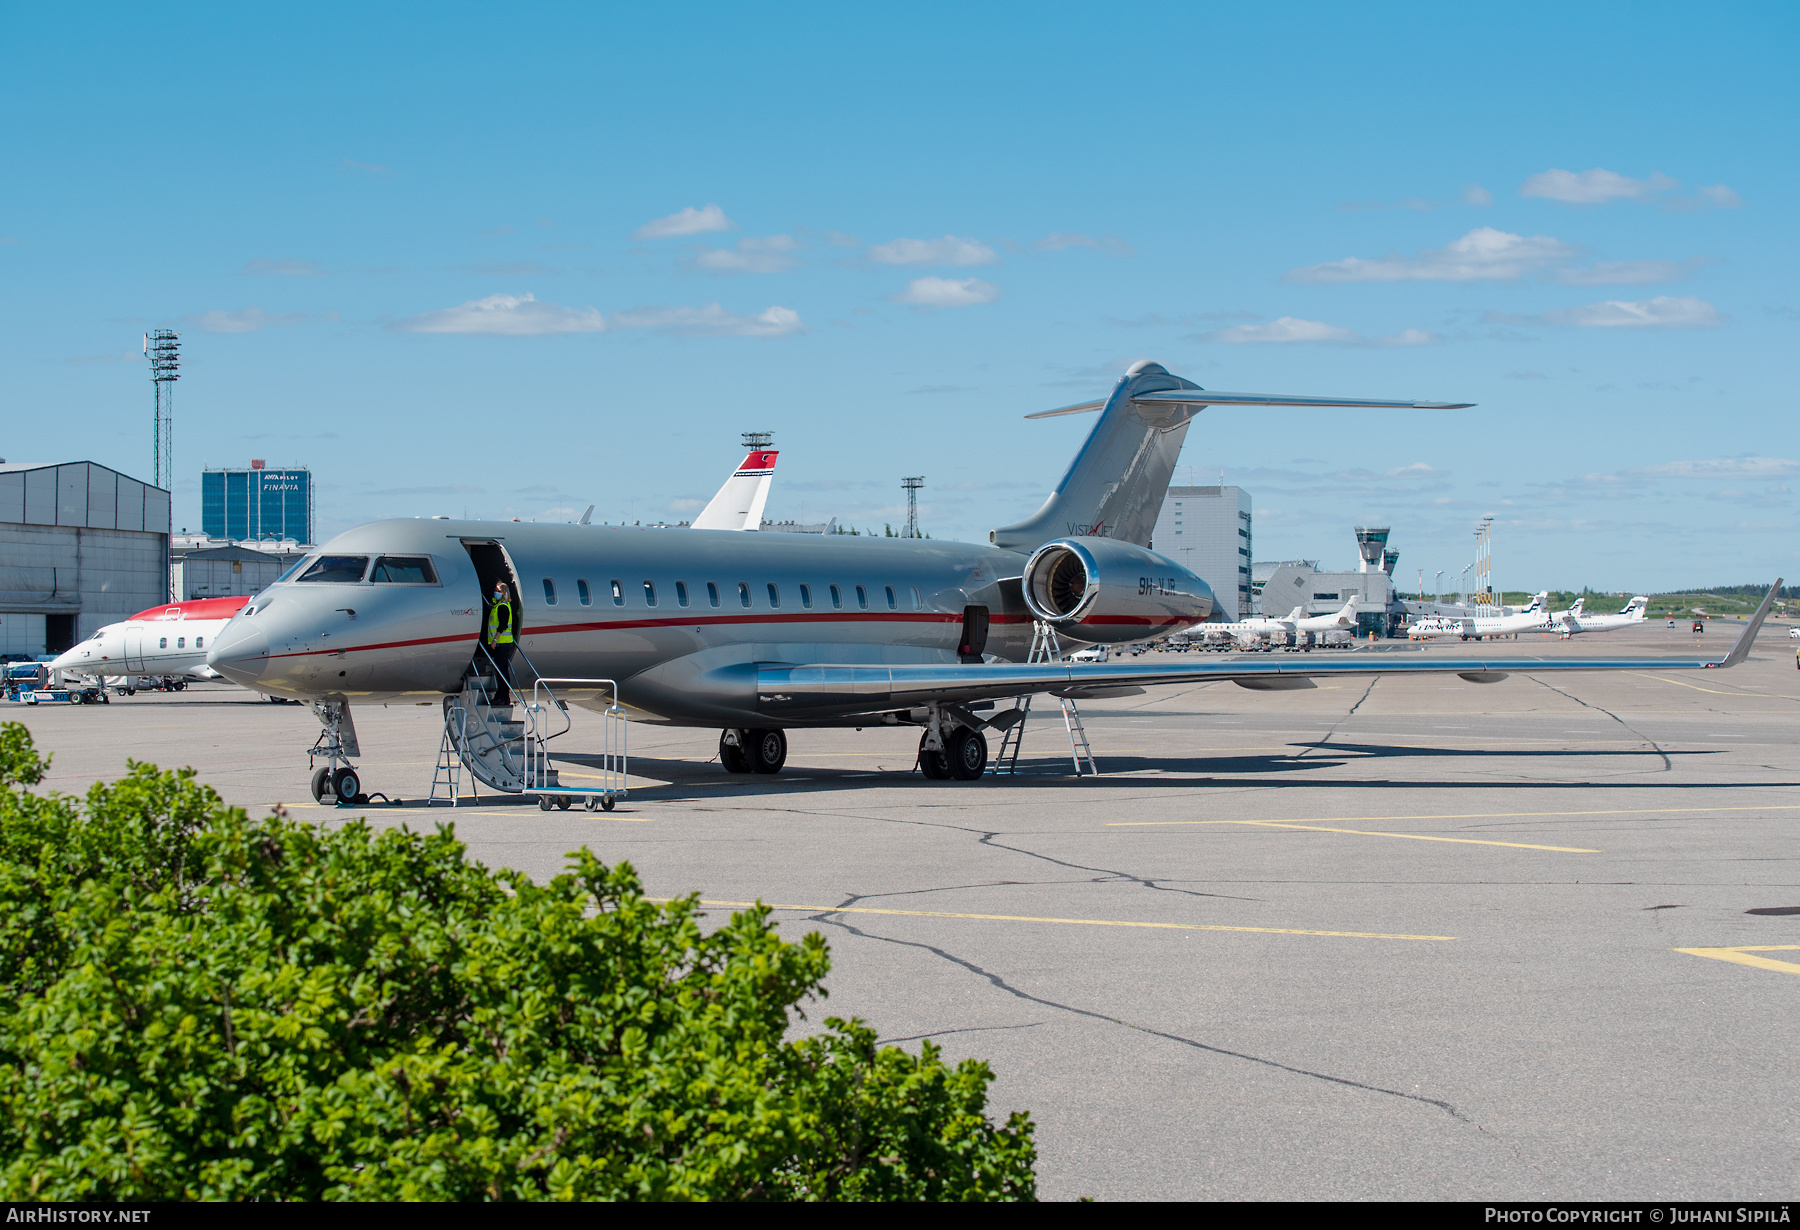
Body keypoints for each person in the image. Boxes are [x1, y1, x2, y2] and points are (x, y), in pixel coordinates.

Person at [485, 581, 517, 703]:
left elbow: (502, 625)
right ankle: (504, 697)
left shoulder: (502, 606)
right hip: (503, 642)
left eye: (498, 591)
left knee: (501, 671)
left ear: (504, 593)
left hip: (502, 643)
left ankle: (501, 696)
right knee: (502, 670)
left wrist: (494, 640)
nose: (496, 593)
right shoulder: (499, 606)